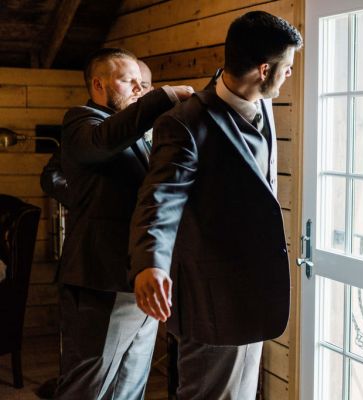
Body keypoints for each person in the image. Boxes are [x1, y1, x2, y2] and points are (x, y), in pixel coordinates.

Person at [128, 11, 303, 399]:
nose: (289, 74)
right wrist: (150, 263)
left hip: (253, 293)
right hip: (211, 299)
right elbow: (160, 198)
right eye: (287, 67)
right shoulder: (186, 122)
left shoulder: (265, 103)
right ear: (262, 69)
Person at [53, 47, 193, 400]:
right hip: (98, 279)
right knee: (88, 388)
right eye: (128, 80)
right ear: (99, 85)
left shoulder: (136, 130)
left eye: (142, 82)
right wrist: (166, 96)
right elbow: (102, 142)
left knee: (131, 385)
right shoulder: (82, 121)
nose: (138, 87)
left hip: (139, 280)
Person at [40, 58, 156, 207]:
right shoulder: (91, 127)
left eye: (143, 84)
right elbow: (51, 175)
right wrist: (91, 201)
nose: (138, 90)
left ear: (151, 90)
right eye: (128, 81)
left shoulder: (158, 124)